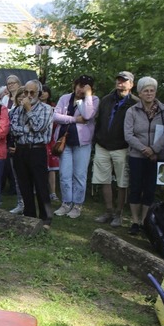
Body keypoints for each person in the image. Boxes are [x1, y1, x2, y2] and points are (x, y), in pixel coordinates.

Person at [124, 77, 164, 234]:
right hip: (137, 156)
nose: (149, 93)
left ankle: (145, 221)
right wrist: (145, 149)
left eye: (152, 90)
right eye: (146, 91)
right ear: (140, 93)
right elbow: (128, 134)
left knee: (150, 189)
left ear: (155, 92)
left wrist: (154, 149)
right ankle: (135, 221)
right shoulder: (132, 111)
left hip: (157, 156)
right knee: (136, 187)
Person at [92, 71, 139, 227]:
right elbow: (98, 121)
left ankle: (118, 214)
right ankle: (109, 211)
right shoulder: (106, 100)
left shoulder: (135, 103)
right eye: (118, 79)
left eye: (124, 80)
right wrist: (97, 138)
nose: (120, 82)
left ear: (131, 84)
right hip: (102, 145)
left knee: (122, 182)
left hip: (122, 146)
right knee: (103, 179)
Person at [52, 75, 99, 219]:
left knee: (79, 175)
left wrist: (88, 96)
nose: (81, 89)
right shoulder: (65, 98)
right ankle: (66, 203)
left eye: (85, 86)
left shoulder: (93, 100)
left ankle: (77, 205)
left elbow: (87, 115)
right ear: (75, 85)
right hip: (64, 142)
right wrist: (74, 119)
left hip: (82, 143)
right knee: (65, 174)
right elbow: (55, 116)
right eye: (80, 85)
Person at [10, 79, 54, 227]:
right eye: (26, 92)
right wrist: (26, 128)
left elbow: (38, 127)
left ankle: (46, 217)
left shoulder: (46, 109)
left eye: (32, 92)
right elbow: (13, 128)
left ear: (39, 93)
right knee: (24, 185)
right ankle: (29, 215)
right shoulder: (17, 109)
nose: (28, 95)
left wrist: (29, 110)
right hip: (21, 150)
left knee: (41, 184)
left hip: (37, 150)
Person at [3, 75, 24, 214]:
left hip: (25, 143)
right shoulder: (5, 99)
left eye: (13, 83)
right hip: (9, 139)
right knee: (15, 174)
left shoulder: (25, 99)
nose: (10, 85)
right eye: (8, 83)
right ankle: (20, 203)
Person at [40, 85, 59, 202]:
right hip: (38, 139)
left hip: (50, 139)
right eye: (40, 91)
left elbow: (57, 123)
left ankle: (52, 192)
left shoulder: (54, 107)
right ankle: (38, 189)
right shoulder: (33, 106)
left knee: (51, 168)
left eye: (45, 91)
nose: (42, 93)